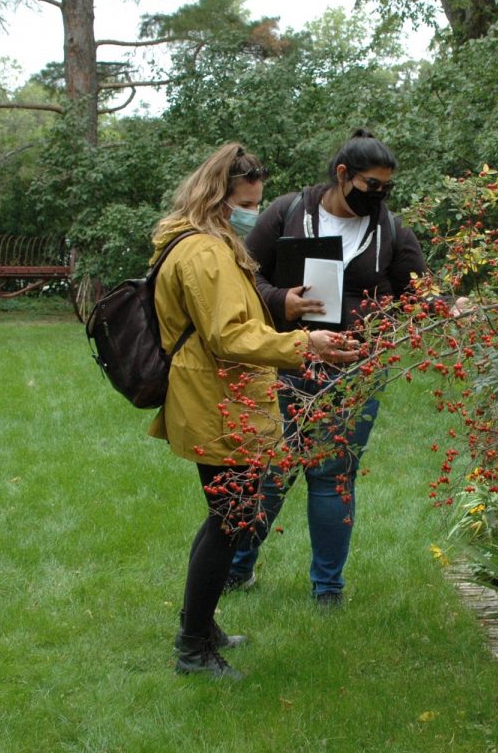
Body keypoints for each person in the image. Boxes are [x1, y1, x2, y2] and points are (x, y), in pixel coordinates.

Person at [147, 143, 359, 679]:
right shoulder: (204, 253)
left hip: (220, 397)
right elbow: (229, 336)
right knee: (230, 521)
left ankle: (200, 625)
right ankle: (193, 650)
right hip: (217, 401)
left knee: (226, 518)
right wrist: (302, 344)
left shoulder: (205, 241)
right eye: (244, 202)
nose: (250, 211)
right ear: (218, 197)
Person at [228, 129, 463, 607]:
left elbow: (417, 292)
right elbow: (244, 275)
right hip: (288, 358)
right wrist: (280, 300)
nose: (379, 196)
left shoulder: (391, 230)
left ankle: (328, 591)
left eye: (386, 187)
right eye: (371, 185)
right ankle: (236, 570)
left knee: (334, 474)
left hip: (354, 370)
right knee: (273, 467)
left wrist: (450, 307)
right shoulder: (290, 213)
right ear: (343, 175)